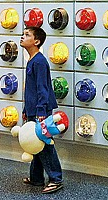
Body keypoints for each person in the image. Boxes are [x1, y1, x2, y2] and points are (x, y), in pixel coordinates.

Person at [20, 27, 64, 194]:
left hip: (41, 110)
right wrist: (26, 109)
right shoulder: (32, 60)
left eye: (27, 35)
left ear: (36, 41)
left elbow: (42, 89)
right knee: (35, 142)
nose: (22, 37)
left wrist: (40, 111)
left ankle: (56, 179)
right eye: (23, 34)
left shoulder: (39, 61)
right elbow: (31, 89)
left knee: (45, 144)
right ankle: (36, 178)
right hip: (34, 109)